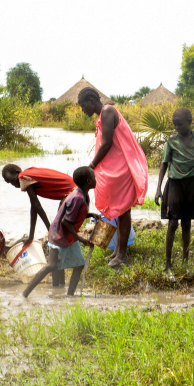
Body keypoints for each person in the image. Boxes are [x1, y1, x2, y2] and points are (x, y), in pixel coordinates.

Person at [77, 87, 148, 268]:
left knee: (123, 211)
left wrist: (91, 166)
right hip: (113, 169)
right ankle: (117, 250)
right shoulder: (102, 116)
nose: (82, 109)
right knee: (118, 211)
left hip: (120, 169)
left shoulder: (108, 111)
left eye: (83, 105)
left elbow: (107, 143)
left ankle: (121, 254)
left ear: (92, 100)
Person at [154, 107, 194, 273]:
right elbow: (164, 165)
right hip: (174, 184)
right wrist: (158, 188)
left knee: (187, 223)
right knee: (173, 223)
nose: (177, 128)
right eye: (175, 125)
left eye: (180, 124)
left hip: (190, 184)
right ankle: (167, 265)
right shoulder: (172, 141)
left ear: (190, 123)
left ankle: (185, 262)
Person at [22, 167, 100, 297]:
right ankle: (25, 294)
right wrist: (81, 239)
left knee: (80, 264)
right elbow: (65, 222)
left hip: (67, 236)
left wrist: (89, 214)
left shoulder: (83, 195)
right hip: (59, 236)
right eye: (94, 177)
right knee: (51, 266)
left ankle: (70, 296)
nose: (96, 179)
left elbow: (74, 215)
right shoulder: (78, 197)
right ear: (88, 181)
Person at [2, 164, 76, 287]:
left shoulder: (23, 176)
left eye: (13, 180)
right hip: (72, 192)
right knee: (58, 242)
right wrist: (31, 236)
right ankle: (59, 285)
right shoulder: (28, 175)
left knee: (56, 242)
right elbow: (34, 208)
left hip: (71, 194)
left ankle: (58, 284)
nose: (14, 184)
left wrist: (50, 229)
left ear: (17, 172)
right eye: (10, 183)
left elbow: (37, 207)